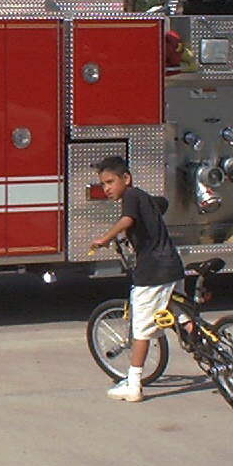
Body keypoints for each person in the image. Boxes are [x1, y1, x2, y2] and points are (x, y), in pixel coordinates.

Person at [89, 156, 186, 403]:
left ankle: (133, 385)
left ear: (126, 178)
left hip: (152, 272)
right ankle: (213, 351)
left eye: (110, 182)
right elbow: (161, 204)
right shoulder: (145, 198)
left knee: (141, 329)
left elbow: (127, 220)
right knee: (181, 314)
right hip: (172, 267)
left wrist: (106, 238)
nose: (107, 188)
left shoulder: (131, 197)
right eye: (103, 184)